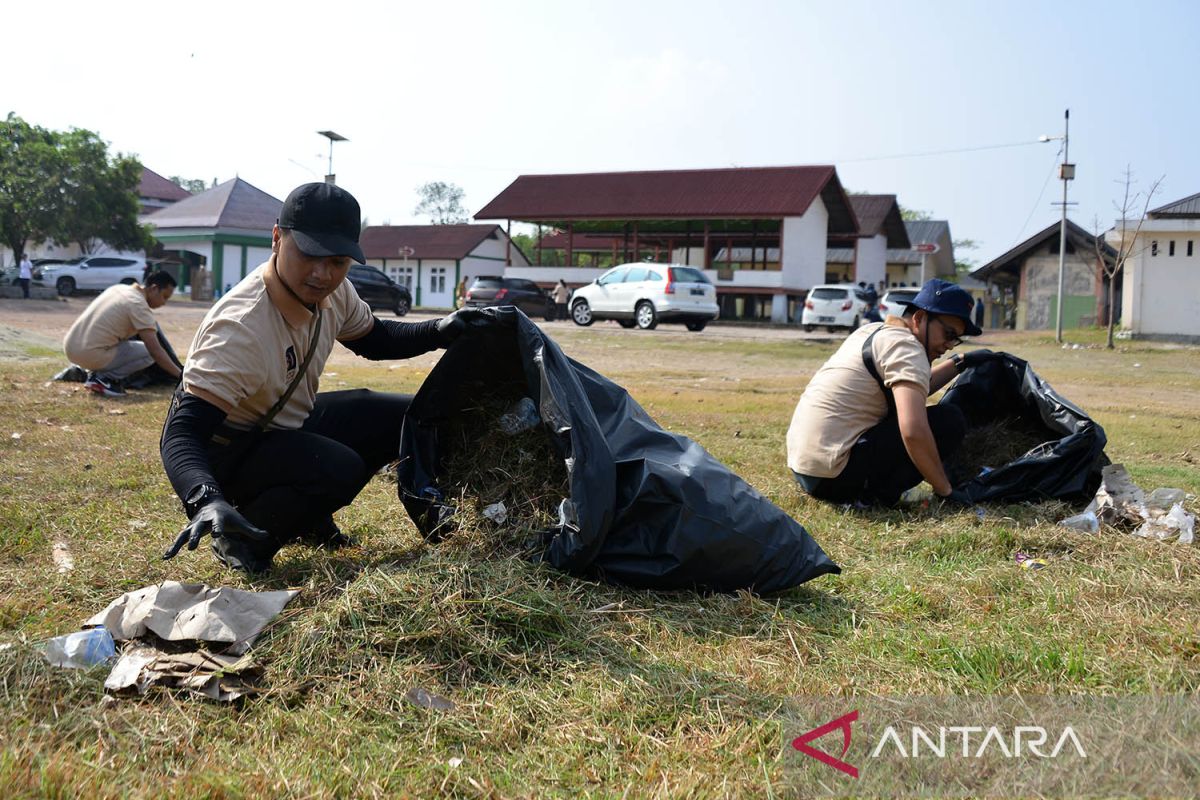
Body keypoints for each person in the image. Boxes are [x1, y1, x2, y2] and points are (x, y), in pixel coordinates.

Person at [159, 182, 493, 573]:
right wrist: (206, 499)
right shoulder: (240, 327)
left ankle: (309, 518)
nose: (322, 273)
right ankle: (245, 537)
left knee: (399, 416)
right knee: (338, 466)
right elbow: (182, 434)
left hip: (278, 425)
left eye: (337, 261)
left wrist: (442, 329)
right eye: (309, 254)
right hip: (226, 452)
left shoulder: (334, 293)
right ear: (277, 238)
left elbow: (376, 339)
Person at [786, 278, 1001, 507]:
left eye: (956, 340)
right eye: (948, 334)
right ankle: (872, 496)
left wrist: (961, 362)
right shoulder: (908, 348)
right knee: (949, 421)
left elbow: (917, 386)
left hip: (808, 469)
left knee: (911, 412)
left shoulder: (874, 331)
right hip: (835, 478)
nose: (949, 345)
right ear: (919, 318)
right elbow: (913, 431)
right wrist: (946, 491)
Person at [63, 271, 183, 397]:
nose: (164, 303)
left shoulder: (119, 288)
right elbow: (155, 350)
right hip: (90, 355)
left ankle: (94, 374)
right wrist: (181, 376)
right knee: (148, 353)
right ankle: (103, 379)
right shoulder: (139, 305)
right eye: (164, 297)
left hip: (70, 348)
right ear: (154, 289)